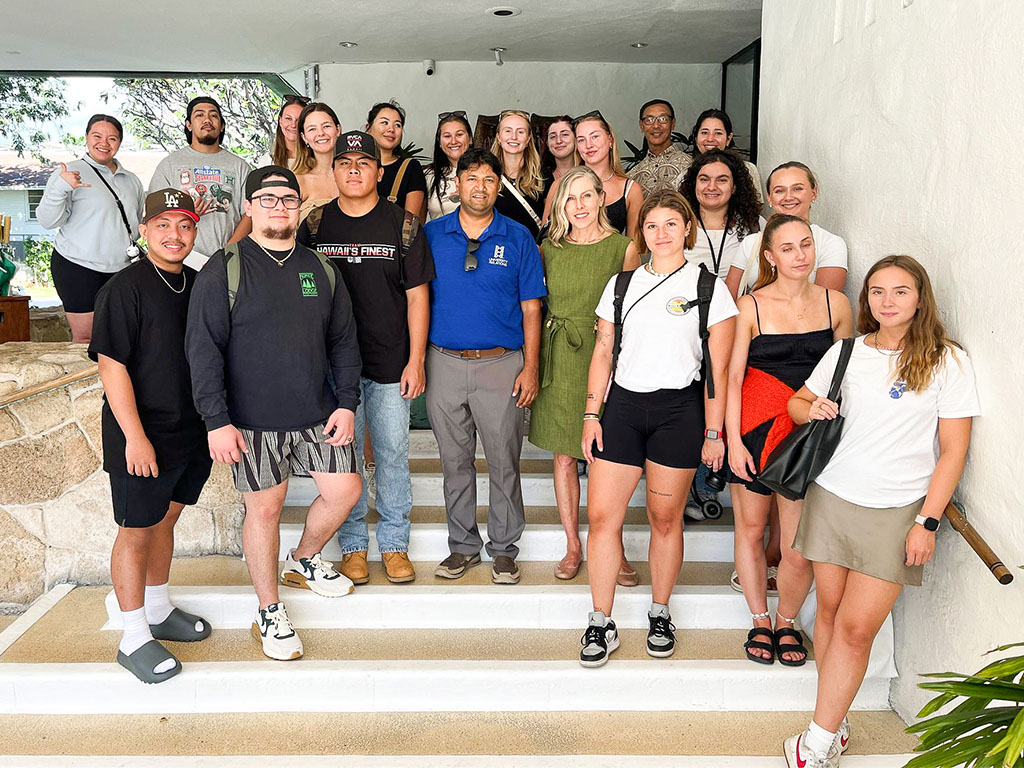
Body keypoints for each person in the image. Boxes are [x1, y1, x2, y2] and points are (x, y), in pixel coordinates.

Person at [783, 255, 980, 767]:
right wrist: (813, 408)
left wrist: (927, 521)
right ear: (867, 298)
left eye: (899, 291)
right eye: (876, 292)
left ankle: (816, 745)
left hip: (898, 511)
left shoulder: (947, 361)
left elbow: (954, 451)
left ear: (920, 298)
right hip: (832, 497)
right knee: (827, 614)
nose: (886, 302)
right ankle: (835, 723)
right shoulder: (847, 352)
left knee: (856, 628)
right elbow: (797, 404)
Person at [186, 166, 363, 661]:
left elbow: (344, 343)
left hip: (315, 412)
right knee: (265, 508)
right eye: (267, 199)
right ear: (249, 207)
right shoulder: (224, 268)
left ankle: (304, 558)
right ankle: (269, 609)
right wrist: (215, 420)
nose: (279, 206)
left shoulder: (321, 269)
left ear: (299, 207)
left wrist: (346, 403)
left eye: (288, 199)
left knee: (345, 489)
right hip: (250, 419)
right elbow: (203, 350)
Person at [579, 190, 738, 667]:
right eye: (652, 225)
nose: (662, 233)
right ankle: (600, 621)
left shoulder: (709, 288)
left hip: (678, 412)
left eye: (672, 223)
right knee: (603, 518)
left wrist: (714, 433)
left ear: (687, 228)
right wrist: (591, 415)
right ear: (641, 232)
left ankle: (660, 611)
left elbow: (718, 370)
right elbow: (604, 353)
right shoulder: (621, 284)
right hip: (623, 409)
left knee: (664, 519)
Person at [298, 131, 434, 585]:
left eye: (363, 162)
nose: (353, 169)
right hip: (335, 371)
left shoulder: (404, 225)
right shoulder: (315, 226)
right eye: (344, 162)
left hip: (390, 363)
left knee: (393, 452)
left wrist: (416, 361)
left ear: (380, 171)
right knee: (346, 458)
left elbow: (418, 298)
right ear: (333, 170)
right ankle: (353, 546)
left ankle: (395, 545)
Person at [89, 188, 211, 684]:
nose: (174, 234)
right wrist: (134, 437)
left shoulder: (199, 284)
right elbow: (111, 366)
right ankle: (134, 635)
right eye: (163, 224)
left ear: (194, 232)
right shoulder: (124, 289)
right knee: (137, 528)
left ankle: (158, 608)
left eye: (184, 225)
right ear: (144, 231)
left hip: (189, 428)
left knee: (165, 520)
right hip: (140, 432)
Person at [725, 214, 852, 669]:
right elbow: (733, 376)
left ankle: (786, 620)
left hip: (807, 433)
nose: (800, 256)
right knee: (752, 530)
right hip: (757, 429)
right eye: (788, 248)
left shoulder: (836, 303)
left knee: (797, 545)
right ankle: (759, 618)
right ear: (769, 256)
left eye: (806, 245)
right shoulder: (750, 306)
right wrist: (731, 441)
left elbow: (844, 377)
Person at [424, 148, 546, 585]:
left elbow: (532, 309)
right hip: (444, 363)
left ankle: (505, 549)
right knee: (454, 462)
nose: (480, 187)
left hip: (502, 364)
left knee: (503, 460)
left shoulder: (518, 238)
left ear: (499, 185)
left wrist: (530, 368)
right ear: (456, 184)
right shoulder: (432, 235)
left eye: (489, 179)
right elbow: (418, 301)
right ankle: (462, 547)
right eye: (471, 178)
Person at [529, 167, 641, 583]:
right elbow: (534, 306)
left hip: (605, 357)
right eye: (569, 198)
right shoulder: (549, 248)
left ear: (600, 200)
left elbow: (634, 311)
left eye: (586, 197)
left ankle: (611, 544)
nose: (578, 206)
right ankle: (574, 544)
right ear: (560, 205)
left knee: (607, 458)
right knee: (563, 454)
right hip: (559, 355)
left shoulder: (623, 249)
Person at [37, 114, 145, 343]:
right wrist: (60, 187)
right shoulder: (69, 173)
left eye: (112, 138)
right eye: (97, 136)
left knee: (120, 336)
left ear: (119, 142)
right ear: (86, 138)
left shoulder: (132, 180)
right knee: (86, 337)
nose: (104, 143)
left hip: (121, 270)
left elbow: (136, 225)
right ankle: (86, 381)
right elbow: (48, 221)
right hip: (77, 266)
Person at [149, 96, 252, 269]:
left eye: (213, 115)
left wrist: (230, 250)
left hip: (228, 260)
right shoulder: (170, 164)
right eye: (199, 115)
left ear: (222, 125)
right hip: (181, 259)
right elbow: (154, 214)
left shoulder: (239, 166)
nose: (207, 120)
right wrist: (188, 213)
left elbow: (250, 214)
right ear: (189, 124)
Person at [728, 161, 848, 295]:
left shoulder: (830, 244)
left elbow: (825, 305)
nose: (788, 197)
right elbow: (729, 303)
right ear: (769, 198)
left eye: (797, 189)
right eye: (779, 191)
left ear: (814, 193)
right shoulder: (750, 243)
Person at [679, 149, 762, 287]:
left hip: (740, 306)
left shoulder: (754, 225)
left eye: (722, 180)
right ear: (694, 184)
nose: (712, 187)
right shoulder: (675, 226)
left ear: (734, 187)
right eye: (704, 179)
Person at [569, 111, 642, 238]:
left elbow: (634, 247)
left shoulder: (631, 189)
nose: (588, 145)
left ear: (610, 140)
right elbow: (545, 242)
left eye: (595, 136)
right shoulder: (562, 185)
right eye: (581, 140)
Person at [365, 100, 427, 220]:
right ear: (368, 128)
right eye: (384, 122)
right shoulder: (356, 165)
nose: (391, 129)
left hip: (393, 237)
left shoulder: (410, 167)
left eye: (397, 125)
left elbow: (411, 222)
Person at [489, 109, 546, 239]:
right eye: (508, 131)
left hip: (531, 250)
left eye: (520, 132)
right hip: (495, 251)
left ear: (528, 139)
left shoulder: (542, 176)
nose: (513, 137)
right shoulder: (487, 175)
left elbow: (548, 225)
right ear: (498, 137)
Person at [688, 108, 763, 202]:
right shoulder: (686, 172)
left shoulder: (747, 170)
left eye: (718, 133)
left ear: (728, 138)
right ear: (696, 138)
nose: (710, 139)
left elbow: (756, 207)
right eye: (704, 133)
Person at [628, 99, 691, 196]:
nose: (656, 125)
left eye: (663, 119)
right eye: (649, 120)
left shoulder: (689, 166)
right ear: (641, 126)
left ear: (673, 123)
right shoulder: (633, 176)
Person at [293, 102, 342, 220]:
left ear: (338, 129)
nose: (321, 133)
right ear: (304, 137)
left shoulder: (355, 175)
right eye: (312, 129)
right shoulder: (297, 181)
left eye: (326, 126)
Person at [424, 111, 473, 221]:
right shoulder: (428, 175)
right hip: (439, 237)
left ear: (470, 139)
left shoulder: (484, 172)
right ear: (440, 142)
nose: (453, 141)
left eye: (459, 135)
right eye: (447, 136)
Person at [257, 94, 310, 168]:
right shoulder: (267, 161)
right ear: (280, 121)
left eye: (299, 120)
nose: (293, 125)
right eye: (288, 118)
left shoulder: (317, 159)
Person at [540, 116, 580, 195]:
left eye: (565, 134)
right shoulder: (539, 179)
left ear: (576, 138)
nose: (558, 141)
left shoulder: (589, 173)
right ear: (547, 143)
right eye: (553, 136)